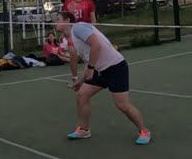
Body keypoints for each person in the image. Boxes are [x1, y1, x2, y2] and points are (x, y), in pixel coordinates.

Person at [55, 12, 151, 145]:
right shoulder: (73, 37)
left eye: (58, 19)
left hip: (115, 67)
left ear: (67, 20)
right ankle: (83, 130)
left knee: (122, 105)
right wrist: (81, 80)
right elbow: (89, 59)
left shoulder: (78, 28)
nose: (55, 22)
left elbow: (97, 46)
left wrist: (91, 68)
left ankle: (144, 131)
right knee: (82, 95)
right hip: (99, 70)